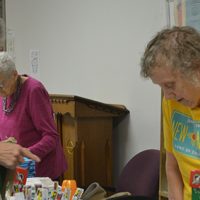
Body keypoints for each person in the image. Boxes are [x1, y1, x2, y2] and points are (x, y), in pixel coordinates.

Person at [140, 26, 200, 199]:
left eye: (170, 85)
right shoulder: (171, 103)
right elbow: (172, 166)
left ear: (196, 69)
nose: (166, 96)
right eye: (161, 87)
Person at [0, 52, 67, 180]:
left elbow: (51, 136)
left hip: (40, 171)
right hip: (15, 171)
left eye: (1, 85)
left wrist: (25, 154)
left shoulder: (34, 90)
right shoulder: (3, 93)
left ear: (14, 75)